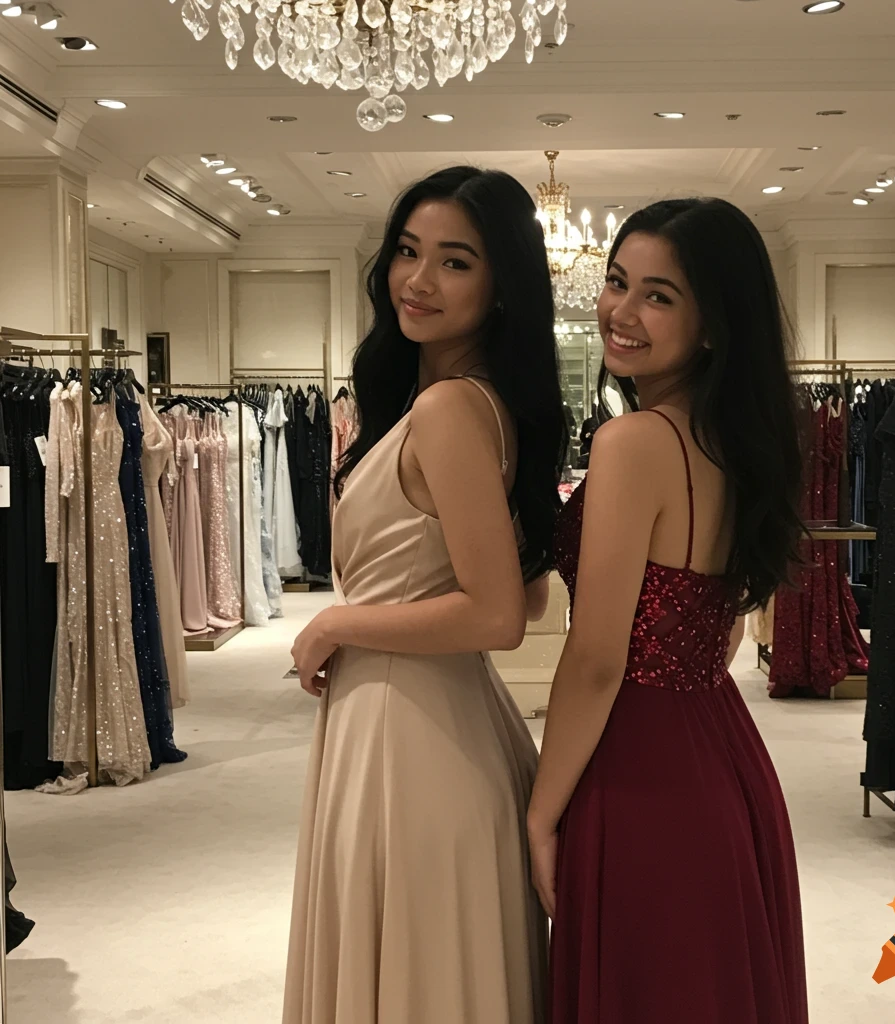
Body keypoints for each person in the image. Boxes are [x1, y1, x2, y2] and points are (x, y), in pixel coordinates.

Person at [283, 165, 567, 1024]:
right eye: (409, 251)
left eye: (455, 261)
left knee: (413, 978)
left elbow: (499, 615)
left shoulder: (449, 410)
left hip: (415, 740)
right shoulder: (454, 403)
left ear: (502, 284)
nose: (417, 279)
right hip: (416, 721)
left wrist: (336, 620)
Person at [528, 198, 809, 1023]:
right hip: (719, 750)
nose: (620, 311)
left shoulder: (636, 442)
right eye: (618, 282)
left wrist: (542, 812)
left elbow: (597, 658)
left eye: (659, 295)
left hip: (642, 768)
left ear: (714, 325)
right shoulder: (736, 443)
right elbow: (713, 633)